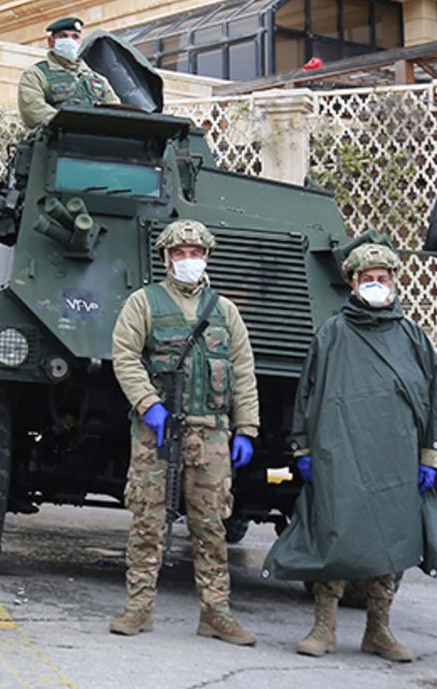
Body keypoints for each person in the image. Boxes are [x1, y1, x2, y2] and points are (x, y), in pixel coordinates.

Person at [262, 243, 437, 662]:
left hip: (396, 458)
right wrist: (302, 447)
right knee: (335, 534)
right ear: (353, 284)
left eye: (383, 279)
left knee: (391, 540)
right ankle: (323, 628)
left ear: (394, 282)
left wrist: (430, 455)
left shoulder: (412, 337)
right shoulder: (332, 333)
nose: (376, 286)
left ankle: (378, 630)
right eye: (368, 279)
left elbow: (435, 399)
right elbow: (306, 394)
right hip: (340, 455)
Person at [109, 219, 259, 644]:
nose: (188, 260)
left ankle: (216, 613)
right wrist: (148, 405)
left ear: (206, 257)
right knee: (147, 521)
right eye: (180, 253)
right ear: (166, 258)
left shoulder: (224, 311)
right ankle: (139, 608)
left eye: (195, 253)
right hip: (157, 432)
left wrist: (246, 428)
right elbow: (124, 355)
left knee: (211, 526)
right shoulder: (144, 303)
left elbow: (243, 372)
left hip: (210, 434)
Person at [17, 16, 120, 128]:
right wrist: (72, 125)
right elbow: (34, 111)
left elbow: (116, 112)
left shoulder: (98, 80)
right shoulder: (36, 75)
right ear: (51, 42)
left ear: (80, 42)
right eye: (63, 36)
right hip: (58, 140)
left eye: (75, 37)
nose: (70, 41)